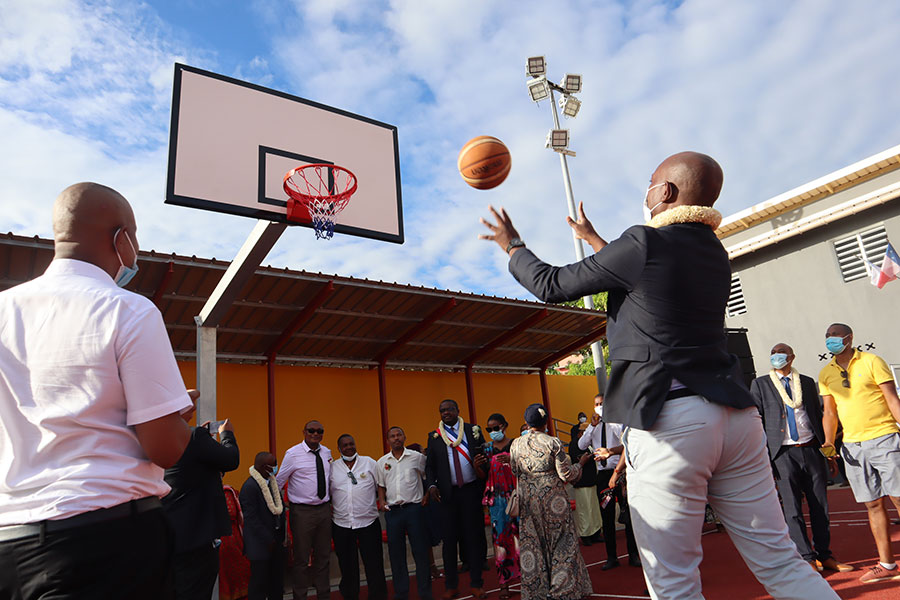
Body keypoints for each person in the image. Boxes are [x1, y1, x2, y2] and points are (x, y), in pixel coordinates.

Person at [479, 152, 840, 600]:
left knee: (674, 584)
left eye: (651, 182)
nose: (645, 190)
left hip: (672, 423)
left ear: (665, 192)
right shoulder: (714, 252)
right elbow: (648, 285)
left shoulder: (644, 242)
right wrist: (596, 240)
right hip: (735, 419)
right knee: (782, 563)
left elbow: (552, 284)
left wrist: (513, 246)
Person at [0, 182, 192, 599]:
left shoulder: (4, 309)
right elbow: (166, 448)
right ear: (120, 237)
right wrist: (178, 420)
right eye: (135, 235)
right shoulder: (127, 308)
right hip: (105, 539)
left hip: (10, 541)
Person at [750, 343, 852, 574]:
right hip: (782, 453)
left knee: (820, 506)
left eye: (782, 353)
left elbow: (817, 416)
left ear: (792, 357)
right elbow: (755, 420)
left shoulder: (805, 382)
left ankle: (825, 556)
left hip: (811, 450)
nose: (777, 357)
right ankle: (806, 558)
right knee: (793, 509)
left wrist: (828, 454)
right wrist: (763, 457)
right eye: (773, 353)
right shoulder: (761, 384)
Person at [820, 323, 900, 583]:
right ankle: (887, 565)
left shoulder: (872, 361)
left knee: (899, 498)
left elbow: (891, 398)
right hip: (853, 446)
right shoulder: (825, 373)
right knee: (873, 504)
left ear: (849, 337)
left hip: (885, 437)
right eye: (828, 336)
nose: (831, 339)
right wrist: (829, 442)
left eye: (835, 335)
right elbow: (829, 413)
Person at [163, 392, 241, 599]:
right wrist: (227, 436)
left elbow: (192, 467)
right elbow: (231, 460)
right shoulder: (194, 436)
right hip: (196, 537)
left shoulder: (155, 440)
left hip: (168, 534)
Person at [510, 404, 592, 600]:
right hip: (553, 500)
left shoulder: (515, 444)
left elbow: (514, 470)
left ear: (527, 422)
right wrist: (580, 464)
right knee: (563, 543)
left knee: (533, 544)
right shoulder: (553, 442)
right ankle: (561, 591)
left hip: (528, 500)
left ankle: (536, 591)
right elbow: (566, 474)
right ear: (545, 421)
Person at [425, 399, 489, 600]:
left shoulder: (473, 430)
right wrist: (432, 485)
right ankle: (451, 585)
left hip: (470, 492)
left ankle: (476, 584)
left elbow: (485, 456)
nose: (446, 413)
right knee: (449, 542)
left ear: (457, 410)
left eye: (449, 409)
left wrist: (483, 469)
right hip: (447, 496)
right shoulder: (434, 437)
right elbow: (430, 466)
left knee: (473, 539)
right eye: (442, 410)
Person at [579, 394, 639, 570]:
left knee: (627, 515)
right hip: (603, 475)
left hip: (620, 473)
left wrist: (609, 419)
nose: (599, 407)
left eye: (602, 404)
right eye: (596, 404)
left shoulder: (617, 422)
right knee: (607, 516)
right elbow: (582, 445)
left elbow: (624, 442)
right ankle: (611, 556)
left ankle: (633, 554)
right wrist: (592, 426)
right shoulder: (593, 427)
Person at [276, 420, 332, 600]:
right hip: (302, 513)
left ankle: (324, 595)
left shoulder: (327, 452)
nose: (315, 434)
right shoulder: (292, 454)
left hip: (324, 510)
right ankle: (300, 596)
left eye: (319, 431)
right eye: (311, 430)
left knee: (323, 557)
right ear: (304, 432)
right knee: (301, 559)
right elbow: (278, 482)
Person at [376, 427, 433, 600]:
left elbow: (429, 476)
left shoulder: (417, 457)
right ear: (388, 441)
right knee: (396, 554)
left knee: (421, 552)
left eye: (399, 435)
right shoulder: (382, 462)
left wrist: (427, 495)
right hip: (393, 513)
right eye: (392, 436)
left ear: (404, 437)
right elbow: (381, 485)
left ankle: (425, 593)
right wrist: (381, 501)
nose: (396, 438)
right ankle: (401, 592)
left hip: (414, 509)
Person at [331, 434, 387, 600]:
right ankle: (350, 595)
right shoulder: (332, 468)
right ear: (339, 448)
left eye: (351, 444)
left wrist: (382, 501)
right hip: (341, 524)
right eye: (345, 445)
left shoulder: (369, 462)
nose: (349, 447)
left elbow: (381, 485)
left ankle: (378, 596)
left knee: (374, 564)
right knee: (347, 565)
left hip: (368, 522)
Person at [482, 413, 520, 599]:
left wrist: (512, 461)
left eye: (496, 428)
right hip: (497, 501)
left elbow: (525, 468)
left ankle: (530, 576)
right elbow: (481, 476)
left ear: (504, 426)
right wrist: (476, 465)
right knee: (500, 541)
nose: (492, 432)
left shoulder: (516, 444)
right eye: (489, 429)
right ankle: (503, 583)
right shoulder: (486, 449)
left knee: (523, 537)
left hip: (517, 496)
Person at [240, 452, 287, 600]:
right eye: (273, 465)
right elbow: (251, 519)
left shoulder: (272, 482)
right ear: (262, 467)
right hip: (260, 544)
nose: (275, 468)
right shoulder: (250, 487)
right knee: (259, 584)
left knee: (277, 582)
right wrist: (268, 539)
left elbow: (280, 509)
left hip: (276, 542)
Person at [569, 419, 603, 547]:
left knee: (593, 510)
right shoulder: (574, 444)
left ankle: (595, 533)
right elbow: (579, 459)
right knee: (584, 510)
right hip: (581, 483)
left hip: (592, 481)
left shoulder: (589, 444)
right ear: (580, 433)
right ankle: (585, 535)